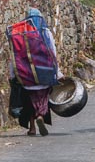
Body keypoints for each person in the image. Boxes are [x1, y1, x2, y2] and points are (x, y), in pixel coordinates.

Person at [9, 8, 62, 137]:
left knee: (29, 102)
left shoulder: (19, 33)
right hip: (44, 73)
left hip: (26, 76)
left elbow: (14, 56)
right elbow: (52, 52)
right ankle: (40, 116)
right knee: (42, 98)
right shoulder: (45, 32)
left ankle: (32, 128)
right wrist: (57, 72)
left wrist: (12, 74)